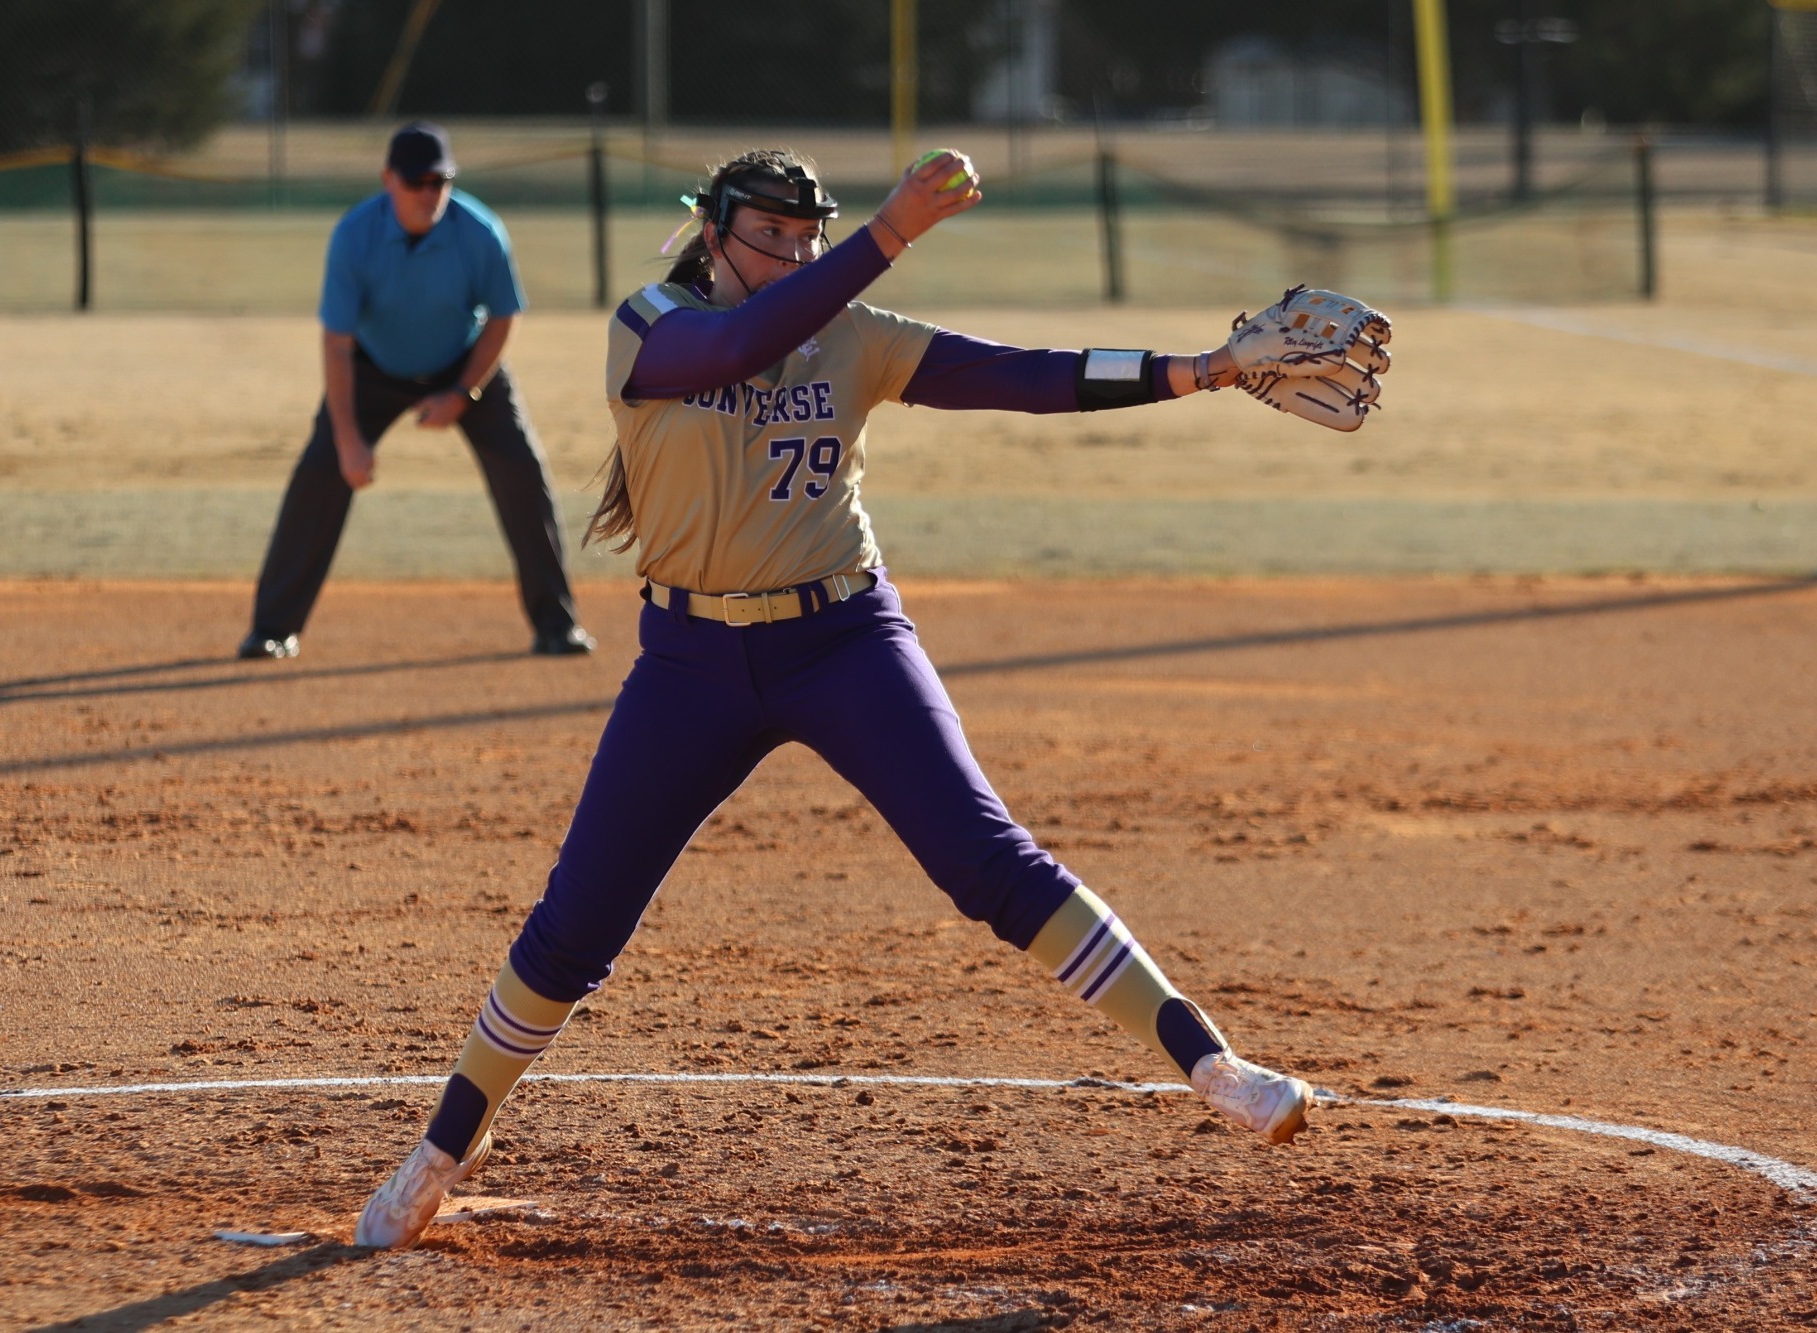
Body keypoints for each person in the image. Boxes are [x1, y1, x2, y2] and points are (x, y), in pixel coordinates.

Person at [353, 147, 1314, 1249]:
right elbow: (739, 346)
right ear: (712, 231)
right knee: (576, 925)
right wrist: (888, 231)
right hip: (689, 663)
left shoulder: (850, 332)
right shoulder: (652, 325)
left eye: (807, 235)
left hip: (843, 638)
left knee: (988, 859)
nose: (794, 253)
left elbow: (1020, 376)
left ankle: (1213, 1066)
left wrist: (1203, 368)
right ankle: (446, 1144)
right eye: (769, 233)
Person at [239, 122, 593, 661]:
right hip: (372, 367)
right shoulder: (355, 235)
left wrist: (462, 393)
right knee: (320, 473)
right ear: (389, 179)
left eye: (440, 181)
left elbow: (503, 317)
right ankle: (272, 628)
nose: (429, 193)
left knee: (523, 472)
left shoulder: (480, 231)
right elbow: (336, 343)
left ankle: (556, 625)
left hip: (464, 363)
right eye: (416, 182)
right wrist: (348, 441)